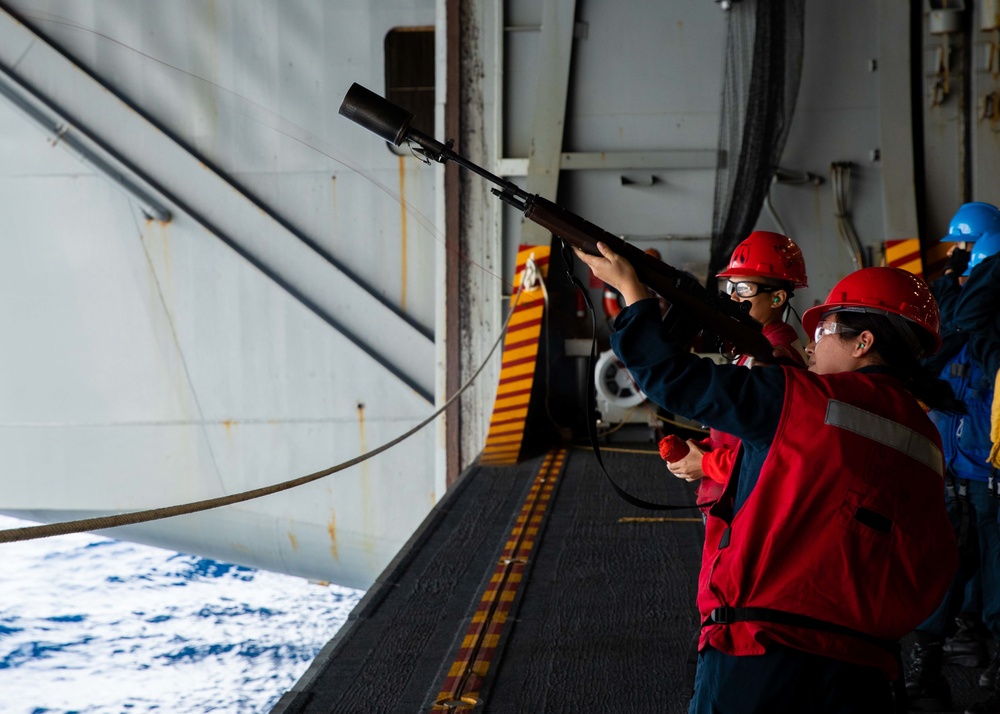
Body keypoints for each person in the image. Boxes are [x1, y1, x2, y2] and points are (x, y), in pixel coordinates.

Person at [577, 241, 960, 713]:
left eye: (826, 328)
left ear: (864, 343)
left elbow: (671, 377)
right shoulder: (926, 438)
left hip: (762, 651)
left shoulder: (801, 399)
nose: (813, 341)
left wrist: (632, 294)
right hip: (864, 668)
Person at [907, 232, 1000, 714]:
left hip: (987, 477)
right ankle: (933, 667)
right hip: (959, 473)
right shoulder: (956, 333)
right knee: (948, 574)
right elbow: (944, 318)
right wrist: (950, 274)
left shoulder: (983, 334)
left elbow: (968, 315)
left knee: (993, 578)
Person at [664, 232, 807, 512]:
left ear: (777, 298)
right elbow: (745, 432)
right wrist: (706, 446)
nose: (733, 298)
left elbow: (772, 453)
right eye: (731, 288)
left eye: (743, 290)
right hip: (731, 495)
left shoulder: (774, 359)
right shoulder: (760, 346)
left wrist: (705, 464)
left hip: (742, 505)